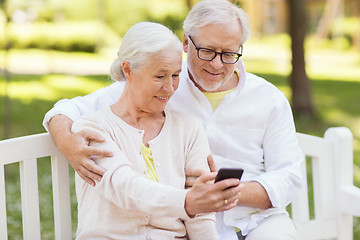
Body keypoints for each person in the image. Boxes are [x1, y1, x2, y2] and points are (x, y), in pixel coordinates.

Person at [43, 0, 304, 239]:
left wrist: (227, 193)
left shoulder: (269, 98)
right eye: (208, 51)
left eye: (228, 54)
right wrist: (67, 141)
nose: (216, 64)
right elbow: (69, 108)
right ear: (186, 43)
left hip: (256, 222)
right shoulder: (158, 84)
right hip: (187, 221)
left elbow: (290, 176)